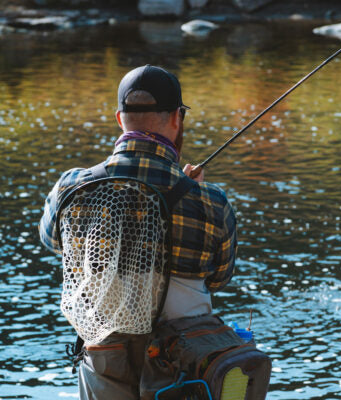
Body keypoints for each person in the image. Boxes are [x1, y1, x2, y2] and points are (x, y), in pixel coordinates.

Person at [39, 64, 237, 399]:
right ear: (177, 118)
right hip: (183, 362)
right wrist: (195, 194)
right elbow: (219, 278)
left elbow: (53, 242)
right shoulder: (212, 202)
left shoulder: (70, 187)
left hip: (105, 355)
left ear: (120, 120)